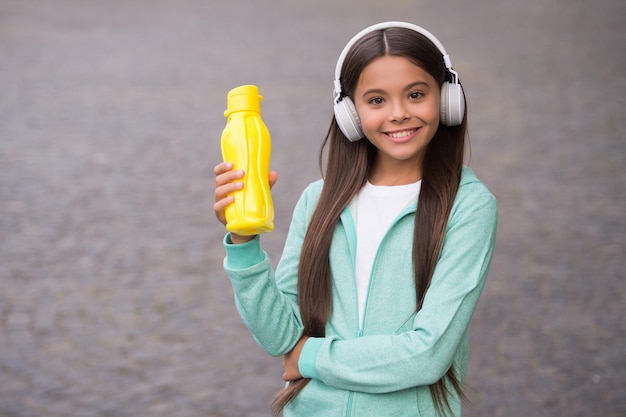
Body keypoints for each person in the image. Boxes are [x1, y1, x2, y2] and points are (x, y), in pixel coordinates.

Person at [213, 21, 497, 417]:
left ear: (447, 98)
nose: (399, 114)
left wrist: (311, 358)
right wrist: (243, 241)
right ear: (349, 112)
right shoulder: (319, 200)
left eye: (415, 94)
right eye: (376, 100)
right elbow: (282, 336)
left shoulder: (468, 206)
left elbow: (428, 353)